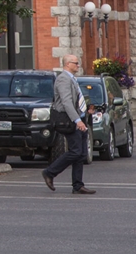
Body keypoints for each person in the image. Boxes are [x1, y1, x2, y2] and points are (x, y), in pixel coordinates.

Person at [42, 54, 96, 195]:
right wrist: (77, 121)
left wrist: (86, 111)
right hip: (69, 120)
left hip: (80, 119)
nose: (78, 65)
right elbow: (66, 102)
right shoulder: (63, 79)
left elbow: (76, 100)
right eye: (76, 63)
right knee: (75, 151)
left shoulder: (72, 79)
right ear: (67, 64)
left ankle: (78, 185)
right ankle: (49, 172)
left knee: (81, 153)